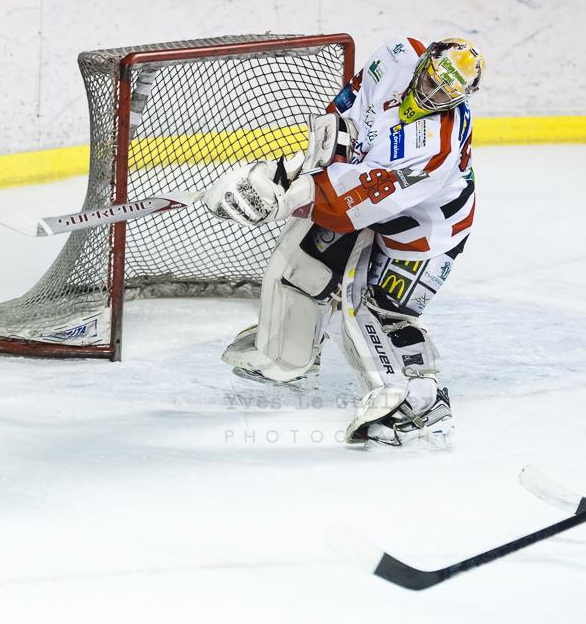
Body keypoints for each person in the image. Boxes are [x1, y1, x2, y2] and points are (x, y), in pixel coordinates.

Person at [201, 37, 485, 447]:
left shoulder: (434, 146)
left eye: (446, 94)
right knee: (302, 262)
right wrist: (288, 171)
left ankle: (420, 409)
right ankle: (287, 358)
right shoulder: (398, 55)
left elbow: (350, 206)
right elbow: (343, 124)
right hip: (372, 194)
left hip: (423, 231)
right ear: (424, 63)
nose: (433, 96)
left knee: (378, 312)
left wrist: (283, 199)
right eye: (432, 82)